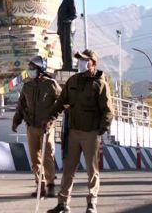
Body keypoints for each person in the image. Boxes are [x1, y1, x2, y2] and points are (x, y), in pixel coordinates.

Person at [46, 49, 114, 213]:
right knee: (68, 168)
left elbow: (108, 111)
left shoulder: (100, 84)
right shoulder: (73, 81)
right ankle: (63, 203)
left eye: (84, 60)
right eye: (79, 60)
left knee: (92, 169)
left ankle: (92, 203)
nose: (80, 63)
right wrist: (50, 118)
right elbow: (61, 102)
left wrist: (100, 130)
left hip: (91, 132)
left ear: (93, 63)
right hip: (73, 131)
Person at [12, 56, 61, 198]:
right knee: (35, 159)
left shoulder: (51, 84)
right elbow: (21, 106)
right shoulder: (27, 86)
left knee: (47, 157)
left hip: (47, 128)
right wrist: (16, 122)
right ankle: (41, 186)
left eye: (32, 67)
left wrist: (52, 119)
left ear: (40, 69)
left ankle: (51, 185)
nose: (30, 70)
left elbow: (62, 101)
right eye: (30, 67)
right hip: (31, 127)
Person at [57, 0, 77, 71]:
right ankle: (65, 65)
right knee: (63, 47)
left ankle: (68, 65)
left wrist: (68, 20)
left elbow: (74, 14)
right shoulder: (65, 1)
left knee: (67, 47)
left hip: (67, 28)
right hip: (62, 28)